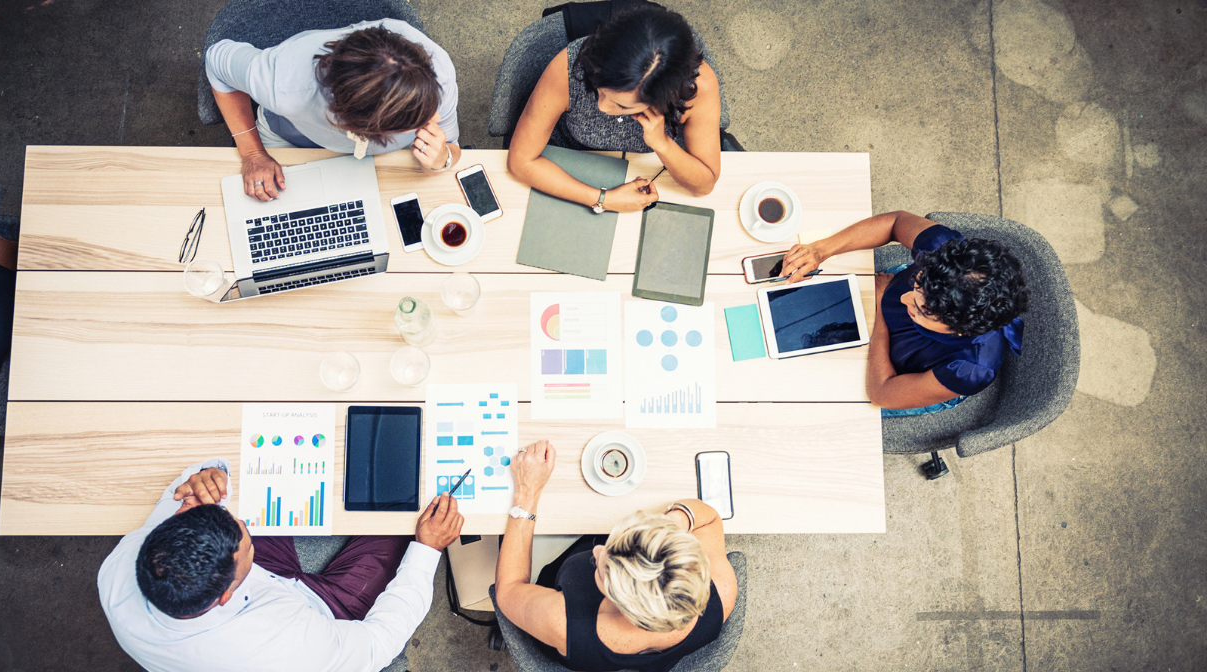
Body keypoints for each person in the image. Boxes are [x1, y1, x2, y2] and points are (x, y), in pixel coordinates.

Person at [98, 458, 463, 672]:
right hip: (314, 613)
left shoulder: (129, 559)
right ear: (226, 595)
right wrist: (428, 549)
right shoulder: (285, 650)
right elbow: (377, 644)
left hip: (258, 585)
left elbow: (185, 488)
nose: (245, 524)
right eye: (246, 543)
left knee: (267, 474)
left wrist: (207, 473)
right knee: (404, 516)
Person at [494, 441, 737, 672]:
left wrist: (527, 492)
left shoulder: (564, 623)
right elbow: (711, 518)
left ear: (621, 605)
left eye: (603, 570)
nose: (598, 550)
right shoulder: (721, 593)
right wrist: (673, 521)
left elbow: (508, 590)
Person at [779, 211, 1030, 414]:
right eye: (917, 282)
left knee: (817, 397)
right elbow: (896, 222)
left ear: (959, 330)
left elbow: (881, 393)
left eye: (922, 309)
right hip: (881, 297)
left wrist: (880, 308)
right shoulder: (944, 254)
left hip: (903, 379)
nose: (903, 298)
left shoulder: (969, 369)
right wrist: (821, 250)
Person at [206, 19, 462, 202]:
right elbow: (217, 61)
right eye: (410, 121)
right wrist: (252, 153)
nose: (435, 118)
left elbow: (450, 144)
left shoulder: (437, 74)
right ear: (358, 125)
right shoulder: (282, 83)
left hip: (383, 160)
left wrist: (441, 159)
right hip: (292, 138)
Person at [507, 6, 722, 213]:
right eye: (600, 89)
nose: (602, 106)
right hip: (571, 160)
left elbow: (703, 185)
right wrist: (604, 200)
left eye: (622, 105)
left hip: (651, 170)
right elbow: (520, 161)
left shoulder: (698, 87)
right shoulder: (568, 66)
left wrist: (662, 144)